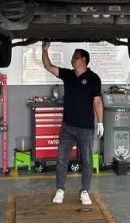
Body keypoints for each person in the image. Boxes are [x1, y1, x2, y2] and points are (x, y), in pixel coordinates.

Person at [42, 41, 103, 205]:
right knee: (62, 159)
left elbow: (97, 101)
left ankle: (85, 191)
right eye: (72, 57)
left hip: (86, 129)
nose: (72, 60)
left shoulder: (94, 78)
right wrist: (45, 49)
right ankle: (60, 190)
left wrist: (100, 123)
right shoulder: (68, 75)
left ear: (84, 60)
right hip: (67, 127)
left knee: (87, 161)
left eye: (75, 57)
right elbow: (48, 66)